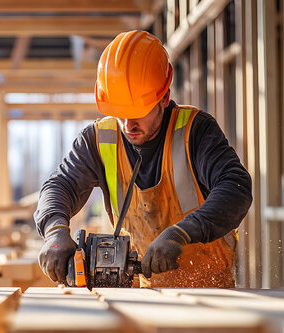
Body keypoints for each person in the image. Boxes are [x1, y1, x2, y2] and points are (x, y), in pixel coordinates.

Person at [33, 30, 252, 288]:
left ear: (164, 97)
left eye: (138, 112)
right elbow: (60, 185)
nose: (128, 125)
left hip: (212, 294)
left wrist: (182, 233)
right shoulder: (99, 139)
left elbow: (236, 187)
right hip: (144, 296)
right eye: (120, 112)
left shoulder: (195, 131)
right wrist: (55, 230)